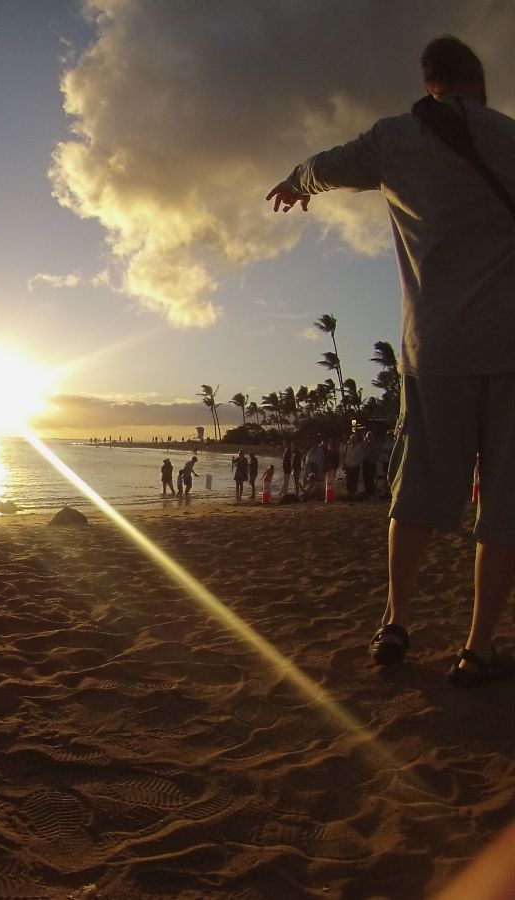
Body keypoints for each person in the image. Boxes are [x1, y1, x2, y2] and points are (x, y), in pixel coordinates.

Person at [268, 36, 514, 686]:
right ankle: (477, 650)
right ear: (478, 84)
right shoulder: (511, 138)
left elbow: (327, 164)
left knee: (421, 491)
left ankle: (396, 623)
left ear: (429, 81)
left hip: (436, 351)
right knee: (507, 507)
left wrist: (297, 183)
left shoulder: (397, 139)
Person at [361, 431, 378, 497]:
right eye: (368, 436)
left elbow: (375, 454)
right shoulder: (365, 444)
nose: (369, 438)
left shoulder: (374, 444)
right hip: (365, 462)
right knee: (365, 476)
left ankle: (372, 490)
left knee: (370, 477)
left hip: (371, 462)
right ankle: (367, 490)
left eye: (370, 436)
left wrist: (372, 461)